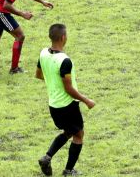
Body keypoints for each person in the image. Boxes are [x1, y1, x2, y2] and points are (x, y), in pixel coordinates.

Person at [36, 24, 96, 177]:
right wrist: (86, 100)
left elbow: (38, 74)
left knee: (69, 131)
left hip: (53, 105)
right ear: (63, 38)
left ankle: (47, 157)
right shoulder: (65, 61)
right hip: (67, 105)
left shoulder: (43, 53)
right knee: (78, 135)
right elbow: (69, 89)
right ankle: (68, 171)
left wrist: (53, 81)